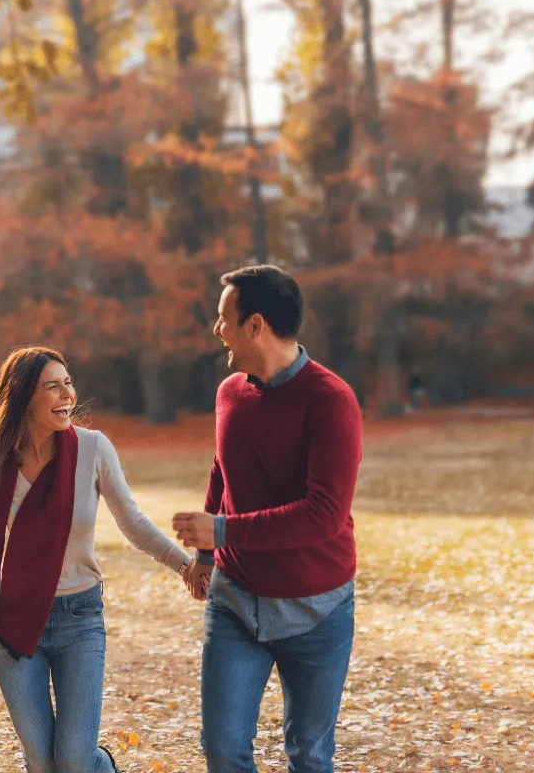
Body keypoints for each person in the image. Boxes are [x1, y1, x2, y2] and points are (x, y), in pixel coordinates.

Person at [0, 346, 206, 773]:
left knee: (75, 760)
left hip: (79, 619)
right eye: (52, 387)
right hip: (14, 623)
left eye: (68, 384)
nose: (67, 395)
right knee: (41, 761)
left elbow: (130, 520)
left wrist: (184, 565)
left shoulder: (93, 450)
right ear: (24, 397)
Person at [173, 266, 363, 773]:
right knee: (223, 749)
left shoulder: (331, 400)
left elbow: (324, 515)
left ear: (255, 325)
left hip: (316, 609)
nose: (217, 330)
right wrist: (207, 554)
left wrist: (225, 531)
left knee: (308, 752)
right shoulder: (230, 392)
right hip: (235, 601)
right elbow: (222, 469)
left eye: (223, 319)